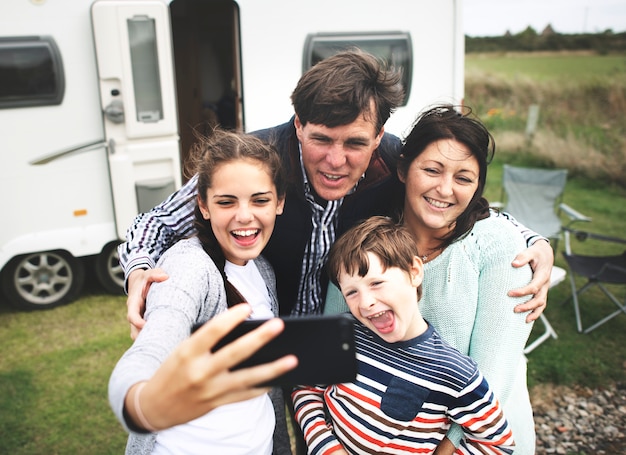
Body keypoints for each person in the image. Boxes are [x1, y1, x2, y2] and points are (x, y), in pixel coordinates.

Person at [118, 50, 553, 341]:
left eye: (355, 144)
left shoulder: (396, 162)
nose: (335, 160)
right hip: (259, 330)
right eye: (321, 139)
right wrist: (138, 268)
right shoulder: (253, 163)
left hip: (353, 342)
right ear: (298, 124)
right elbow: (154, 223)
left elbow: (466, 205)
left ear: (379, 135)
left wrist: (533, 241)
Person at [325, 105, 537, 454]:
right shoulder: (368, 243)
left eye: (463, 178)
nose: (445, 189)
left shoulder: (499, 245)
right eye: (432, 170)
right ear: (404, 170)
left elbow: (492, 377)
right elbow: (335, 342)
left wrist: (445, 448)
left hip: (476, 440)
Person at [108, 130, 297, 454]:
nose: (244, 216)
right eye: (226, 201)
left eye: (260, 200)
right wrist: (143, 406)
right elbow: (150, 348)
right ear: (203, 206)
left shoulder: (262, 270)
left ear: (279, 202)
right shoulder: (189, 267)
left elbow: (266, 396)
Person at [293, 216, 516, 454]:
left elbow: (497, 444)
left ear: (414, 272)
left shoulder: (455, 373)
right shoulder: (340, 336)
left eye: (377, 283)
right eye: (352, 292)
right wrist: (327, 447)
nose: (366, 302)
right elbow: (306, 388)